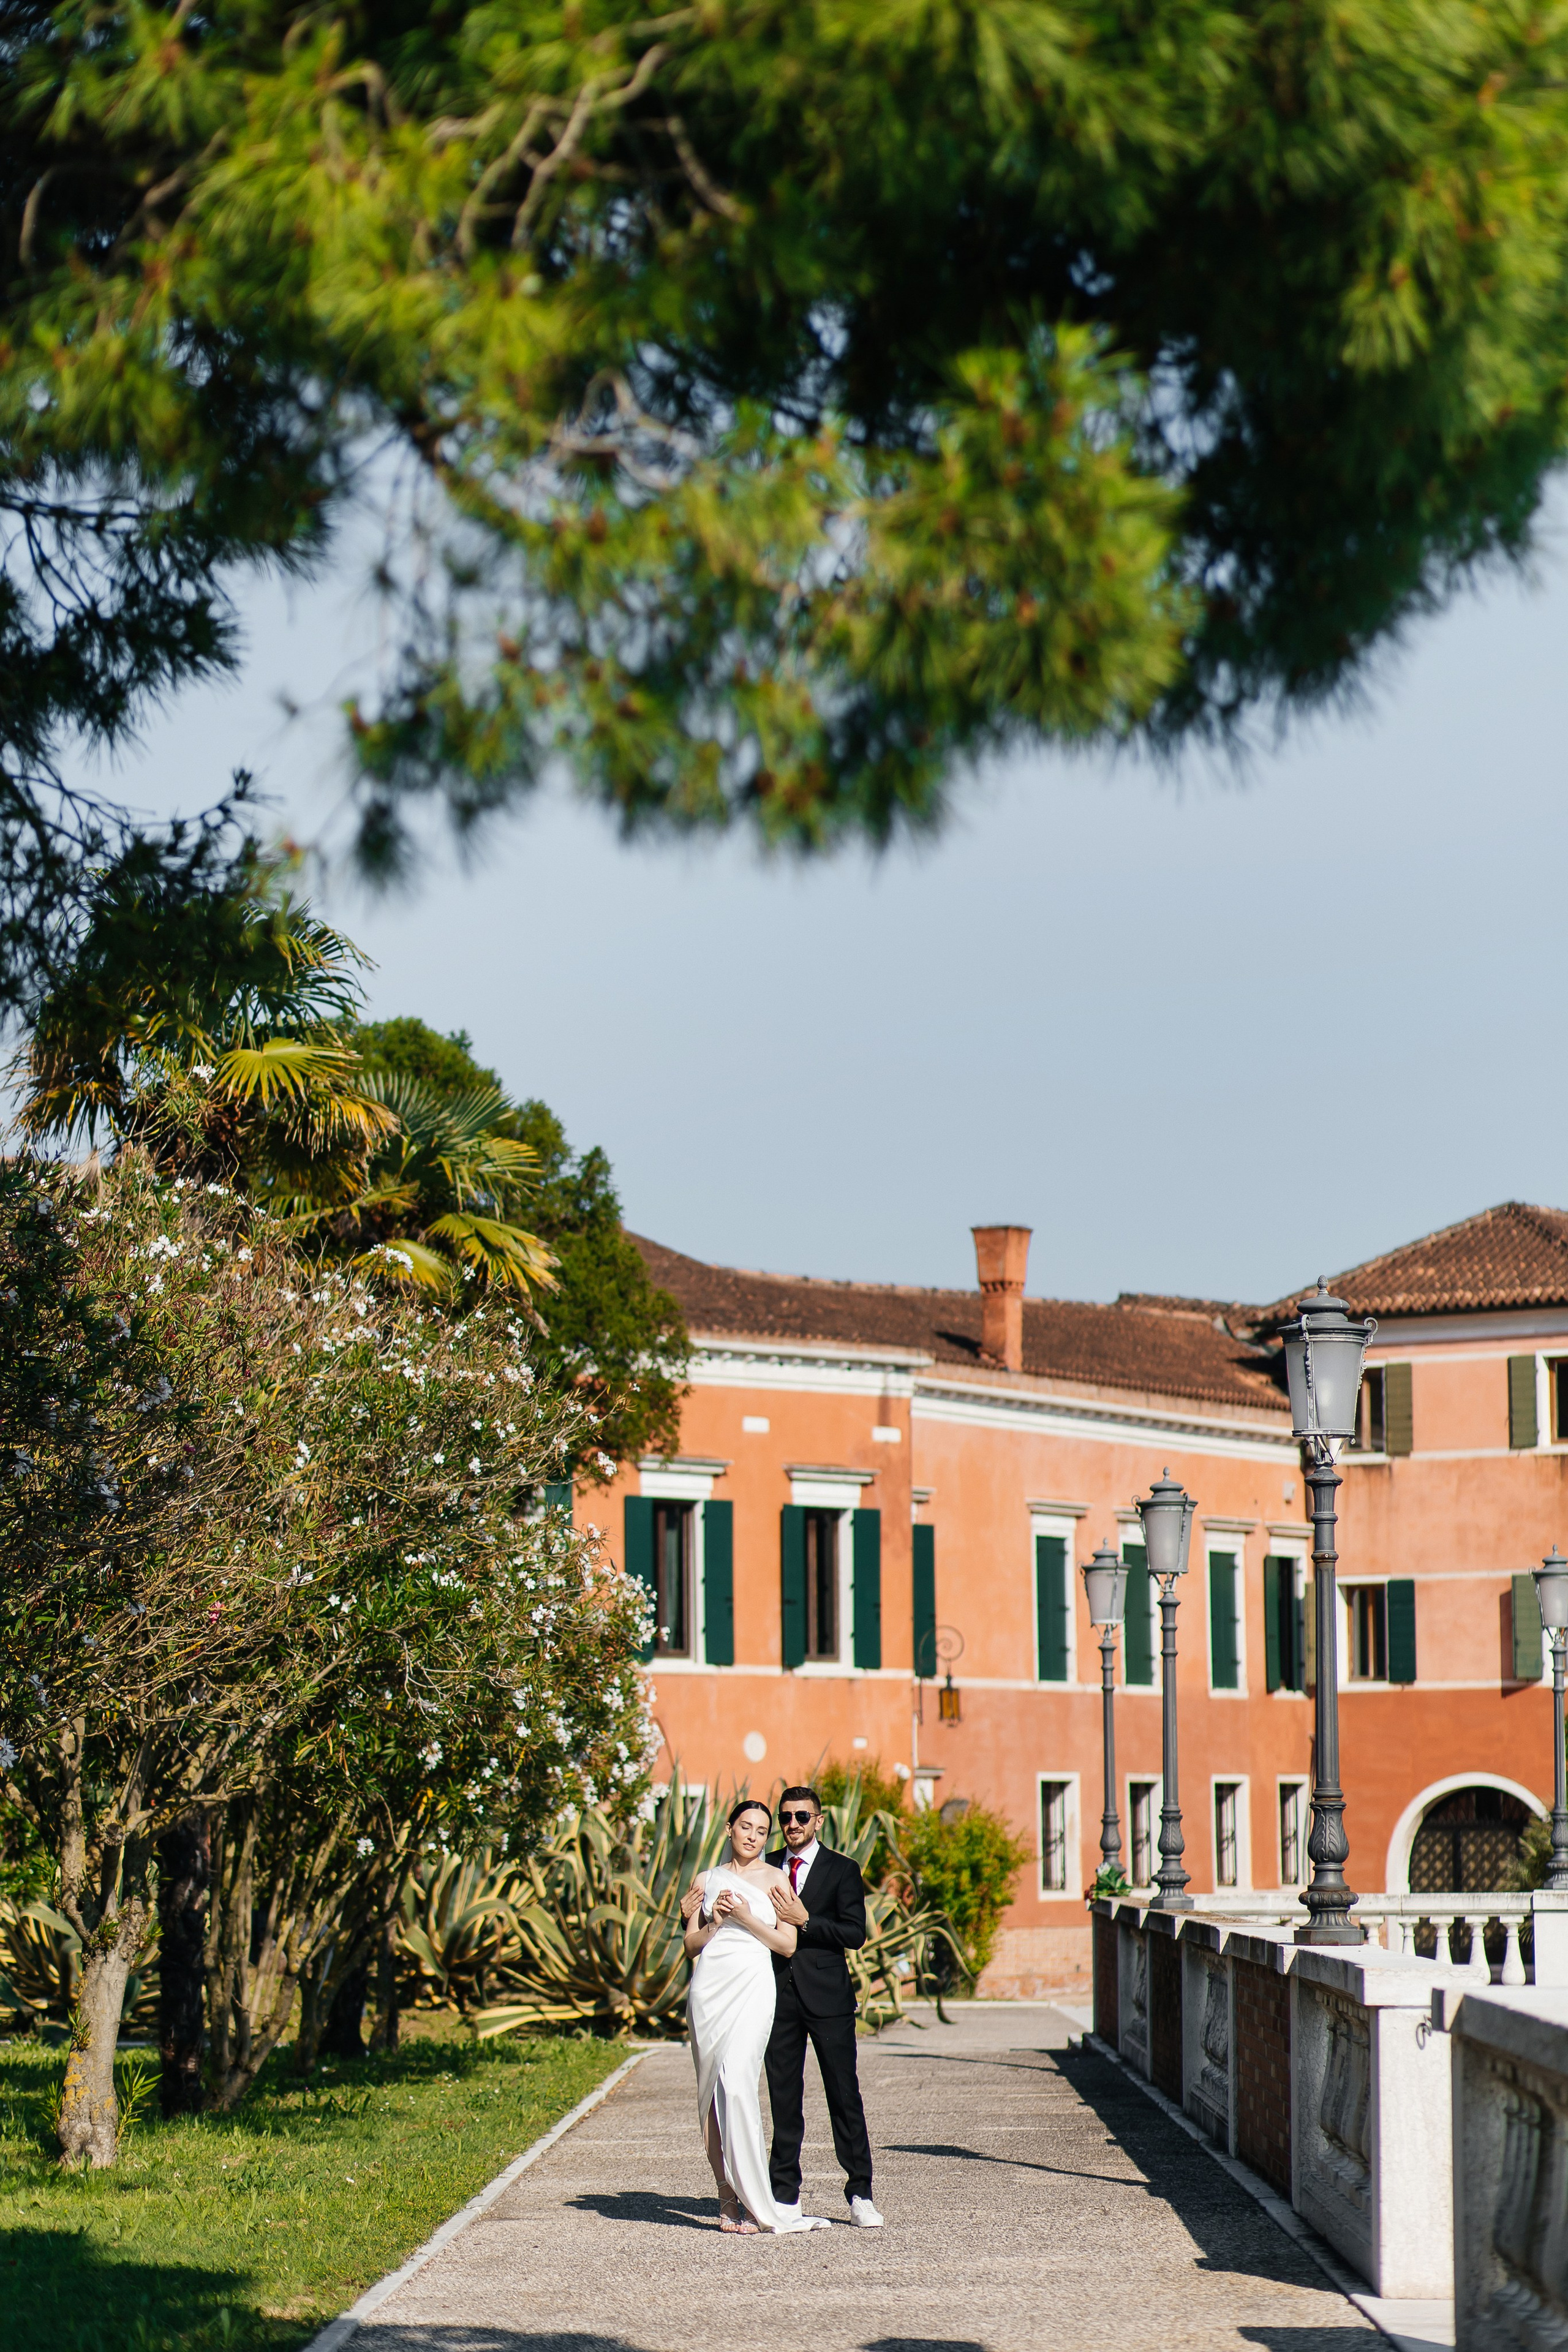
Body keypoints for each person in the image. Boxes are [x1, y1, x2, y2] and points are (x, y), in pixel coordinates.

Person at [680, 1798, 831, 2234]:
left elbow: (786, 1945)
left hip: (753, 1986)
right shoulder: (706, 1880)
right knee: (710, 2093)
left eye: (762, 1830)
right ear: (729, 1829)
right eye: (745, 1826)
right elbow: (692, 1946)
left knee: (738, 2081)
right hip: (710, 1989)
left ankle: (754, 2199)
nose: (753, 1835)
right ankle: (727, 2198)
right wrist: (712, 1923)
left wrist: (744, 1917)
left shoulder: (778, 1879)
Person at [764, 1784, 884, 2228]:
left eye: (801, 1817)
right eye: (786, 1817)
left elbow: (855, 1933)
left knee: (843, 2094)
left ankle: (860, 2193)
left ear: (819, 1820)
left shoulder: (842, 1870)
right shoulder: (767, 1865)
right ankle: (784, 2196)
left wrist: (806, 1921)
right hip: (777, 1996)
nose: (792, 1825)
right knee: (783, 2098)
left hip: (828, 1998)